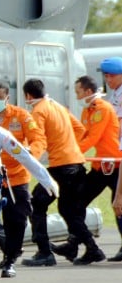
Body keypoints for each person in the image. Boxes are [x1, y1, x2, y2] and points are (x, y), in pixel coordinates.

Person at [20, 78, 105, 267]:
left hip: (61, 166)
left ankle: (44, 252)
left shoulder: (38, 111)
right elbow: (80, 129)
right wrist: (67, 144)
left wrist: (28, 158)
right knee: (68, 210)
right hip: (75, 163)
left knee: (37, 203)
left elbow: (39, 139)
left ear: (27, 96)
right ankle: (92, 248)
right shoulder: (56, 105)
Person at [52, 75, 122, 263]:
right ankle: (75, 244)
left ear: (88, 92)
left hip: (115, 165)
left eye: (78, 92)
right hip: (100, 166)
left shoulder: (102, 109)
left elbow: (94, 138)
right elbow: (84, 134)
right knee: (77, 203)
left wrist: (72, 154)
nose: (76, 96)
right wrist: (69, 147)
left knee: (119, 206)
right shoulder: (87, 111)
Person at [0, 80, 47, 277]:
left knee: (17, 220)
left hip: (17, 176)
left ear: (7, 98)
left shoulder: (21, 116)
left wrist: (30, 156)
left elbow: (39, 139)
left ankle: (10, 259)